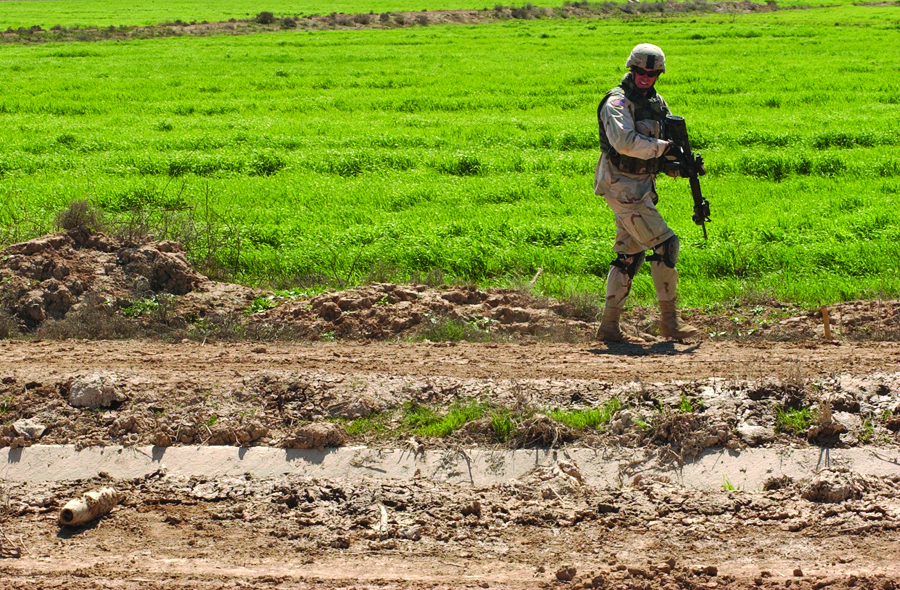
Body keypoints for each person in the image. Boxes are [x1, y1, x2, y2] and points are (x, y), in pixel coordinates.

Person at [593, 43, 700, 342]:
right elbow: (626, 143)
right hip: (622, 188)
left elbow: (659, 148)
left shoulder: (656, 102)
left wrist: (679, 166)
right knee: (666, 246)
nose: (645, 77)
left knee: (628, 256)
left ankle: (609, 328)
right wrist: (666, 148)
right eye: (640, 71)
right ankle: (670, 323)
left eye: (652, 73)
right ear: (631, 69)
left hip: (640, 187)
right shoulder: (617, 103)